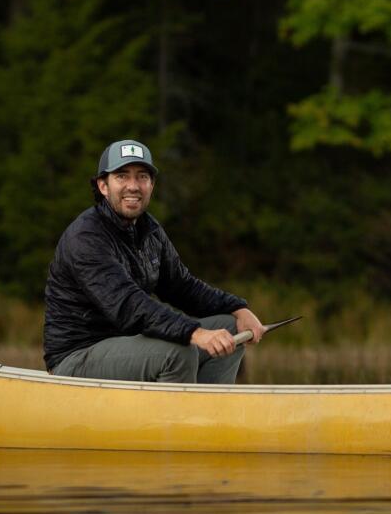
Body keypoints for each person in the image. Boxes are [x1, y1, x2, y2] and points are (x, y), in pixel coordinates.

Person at [43, 139, 265, 383]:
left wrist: (239, 309)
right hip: (77, 356)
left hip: (127, 347)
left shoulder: (149, 230)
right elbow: (129, 306)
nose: (133, 186)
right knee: (179, 352)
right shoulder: (86, 237)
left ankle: (207, 417)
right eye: (122, 176)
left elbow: (183, 287)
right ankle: (174, 420)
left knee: (229, 326)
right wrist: (194, 332)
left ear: (152, 185)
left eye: (142, 177)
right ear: (103, 186)